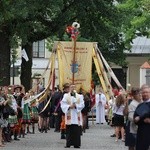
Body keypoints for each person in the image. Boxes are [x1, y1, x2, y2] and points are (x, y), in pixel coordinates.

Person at [61, 84, 84, 148]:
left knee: (76, 131)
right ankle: (68, 143)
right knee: (69, 130)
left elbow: (82, 104)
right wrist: (69, 106)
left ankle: (76, 144)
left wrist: (76, 106)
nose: (73, 88)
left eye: (74, 87)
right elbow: (62, 104)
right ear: (69, 88)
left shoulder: (79, 96)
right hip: (69, 114)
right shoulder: (66, 96)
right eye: (71, 87)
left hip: (76, 116)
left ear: (76, 88)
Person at [134, 86, 150, 150]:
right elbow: (135, 118)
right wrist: (141, 120)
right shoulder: (140, 105)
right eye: (143, 93)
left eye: (147, 92)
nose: (145, 94)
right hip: (142, 132)